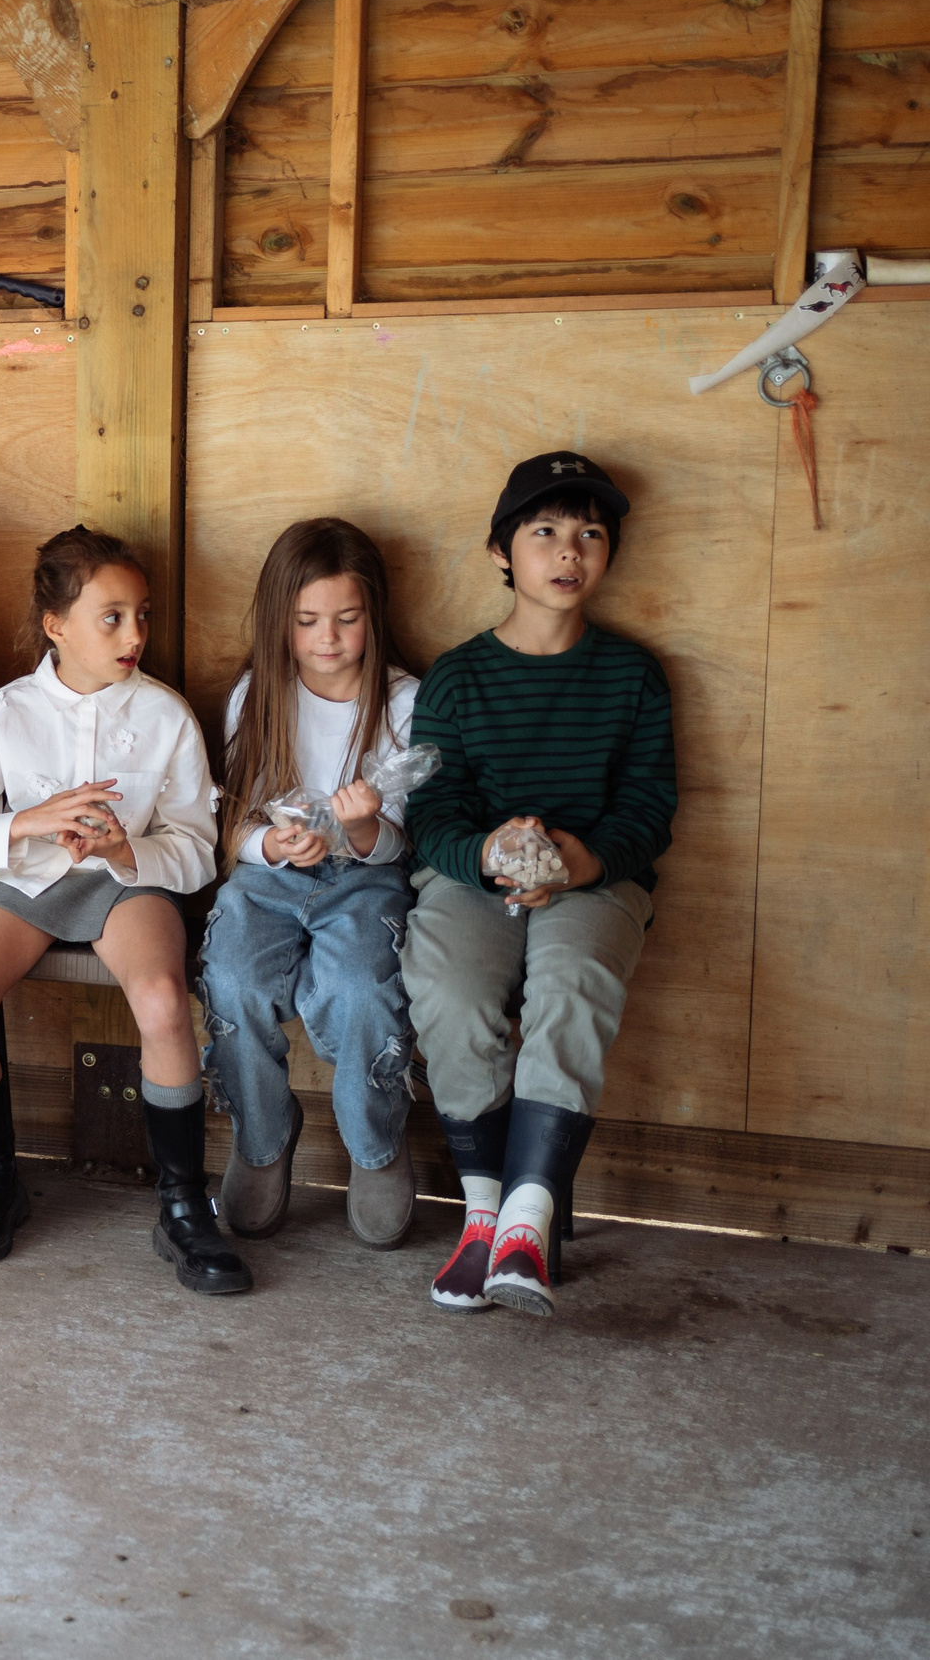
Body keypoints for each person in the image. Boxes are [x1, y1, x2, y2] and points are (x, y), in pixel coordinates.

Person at [400, 452, 673, 1319]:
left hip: (595, 882)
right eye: (545, 531)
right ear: (499, 552)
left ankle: (529, 1216)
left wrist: (580, 862)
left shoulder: (631, 676)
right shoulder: (457, 676)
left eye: (591, 534)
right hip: (477, 879)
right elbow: (432, 812)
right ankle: (485, 1210)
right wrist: (490, 850)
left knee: (572, 983)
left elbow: (648, 808)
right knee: (448, 985)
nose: (569, 551)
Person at [0, 527, 230, 1284]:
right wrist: (27, 820)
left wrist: (130, 852)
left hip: (130, 884)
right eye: (111, 616)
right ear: (56, 625)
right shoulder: (4, 713)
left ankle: (184, 1203)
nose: (134, 635)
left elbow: (196, 849)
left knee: (162, 1000)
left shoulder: (167, 715)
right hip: (24, 883)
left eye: (143, 614)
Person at [201, 518, 424, 1254]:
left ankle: (375, 1145)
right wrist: (270, 841)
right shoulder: (256, 695)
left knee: (361, 987)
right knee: (231, 975)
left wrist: (361, 831)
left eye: (347, 619)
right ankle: (262, 1138)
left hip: (365, 881)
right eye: (306, 621)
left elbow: (399, 843)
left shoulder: (403, 701)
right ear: (279, 621)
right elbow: (231, 824)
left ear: (374, 615)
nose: (327, 638)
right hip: (269, 880)